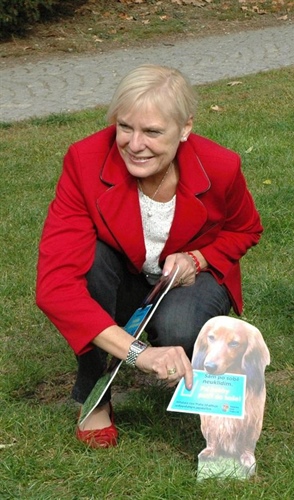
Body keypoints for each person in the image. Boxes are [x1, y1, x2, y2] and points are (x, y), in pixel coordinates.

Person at [36, 64, 263, 448]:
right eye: (125, 127)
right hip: (120, 274)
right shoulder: (84, 161)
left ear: (186, 128)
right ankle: (96, 395)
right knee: (88, 262)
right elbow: (55, 288)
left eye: (153, 131)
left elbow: (246, 229)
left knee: (179, 328)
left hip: (189, 279)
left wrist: (198, 259)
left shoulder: (222, 166)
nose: (134, 144)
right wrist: (139, 355)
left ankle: (198, 373)